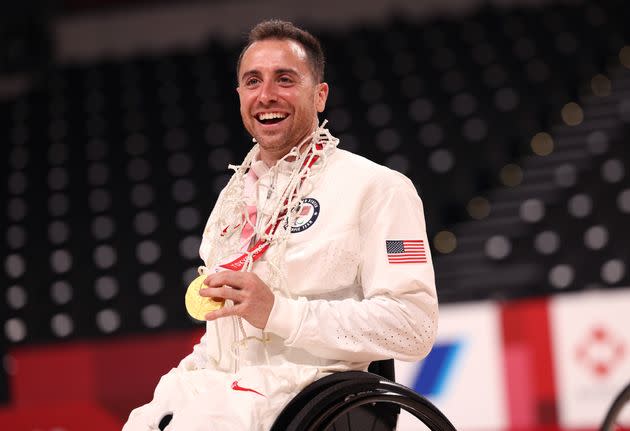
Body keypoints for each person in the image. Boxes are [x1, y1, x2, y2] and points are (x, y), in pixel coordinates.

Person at [123, 19, 438, 431]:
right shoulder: (231, 203)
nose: (266, 95)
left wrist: (279, 312)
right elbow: (223, 342)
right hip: (223, 392)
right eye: (253, 81)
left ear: (320, 95)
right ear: (239, 96)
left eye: (285, 79)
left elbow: (412, 327)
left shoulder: (379, 188)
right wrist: (175, 389)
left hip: (313, 402)